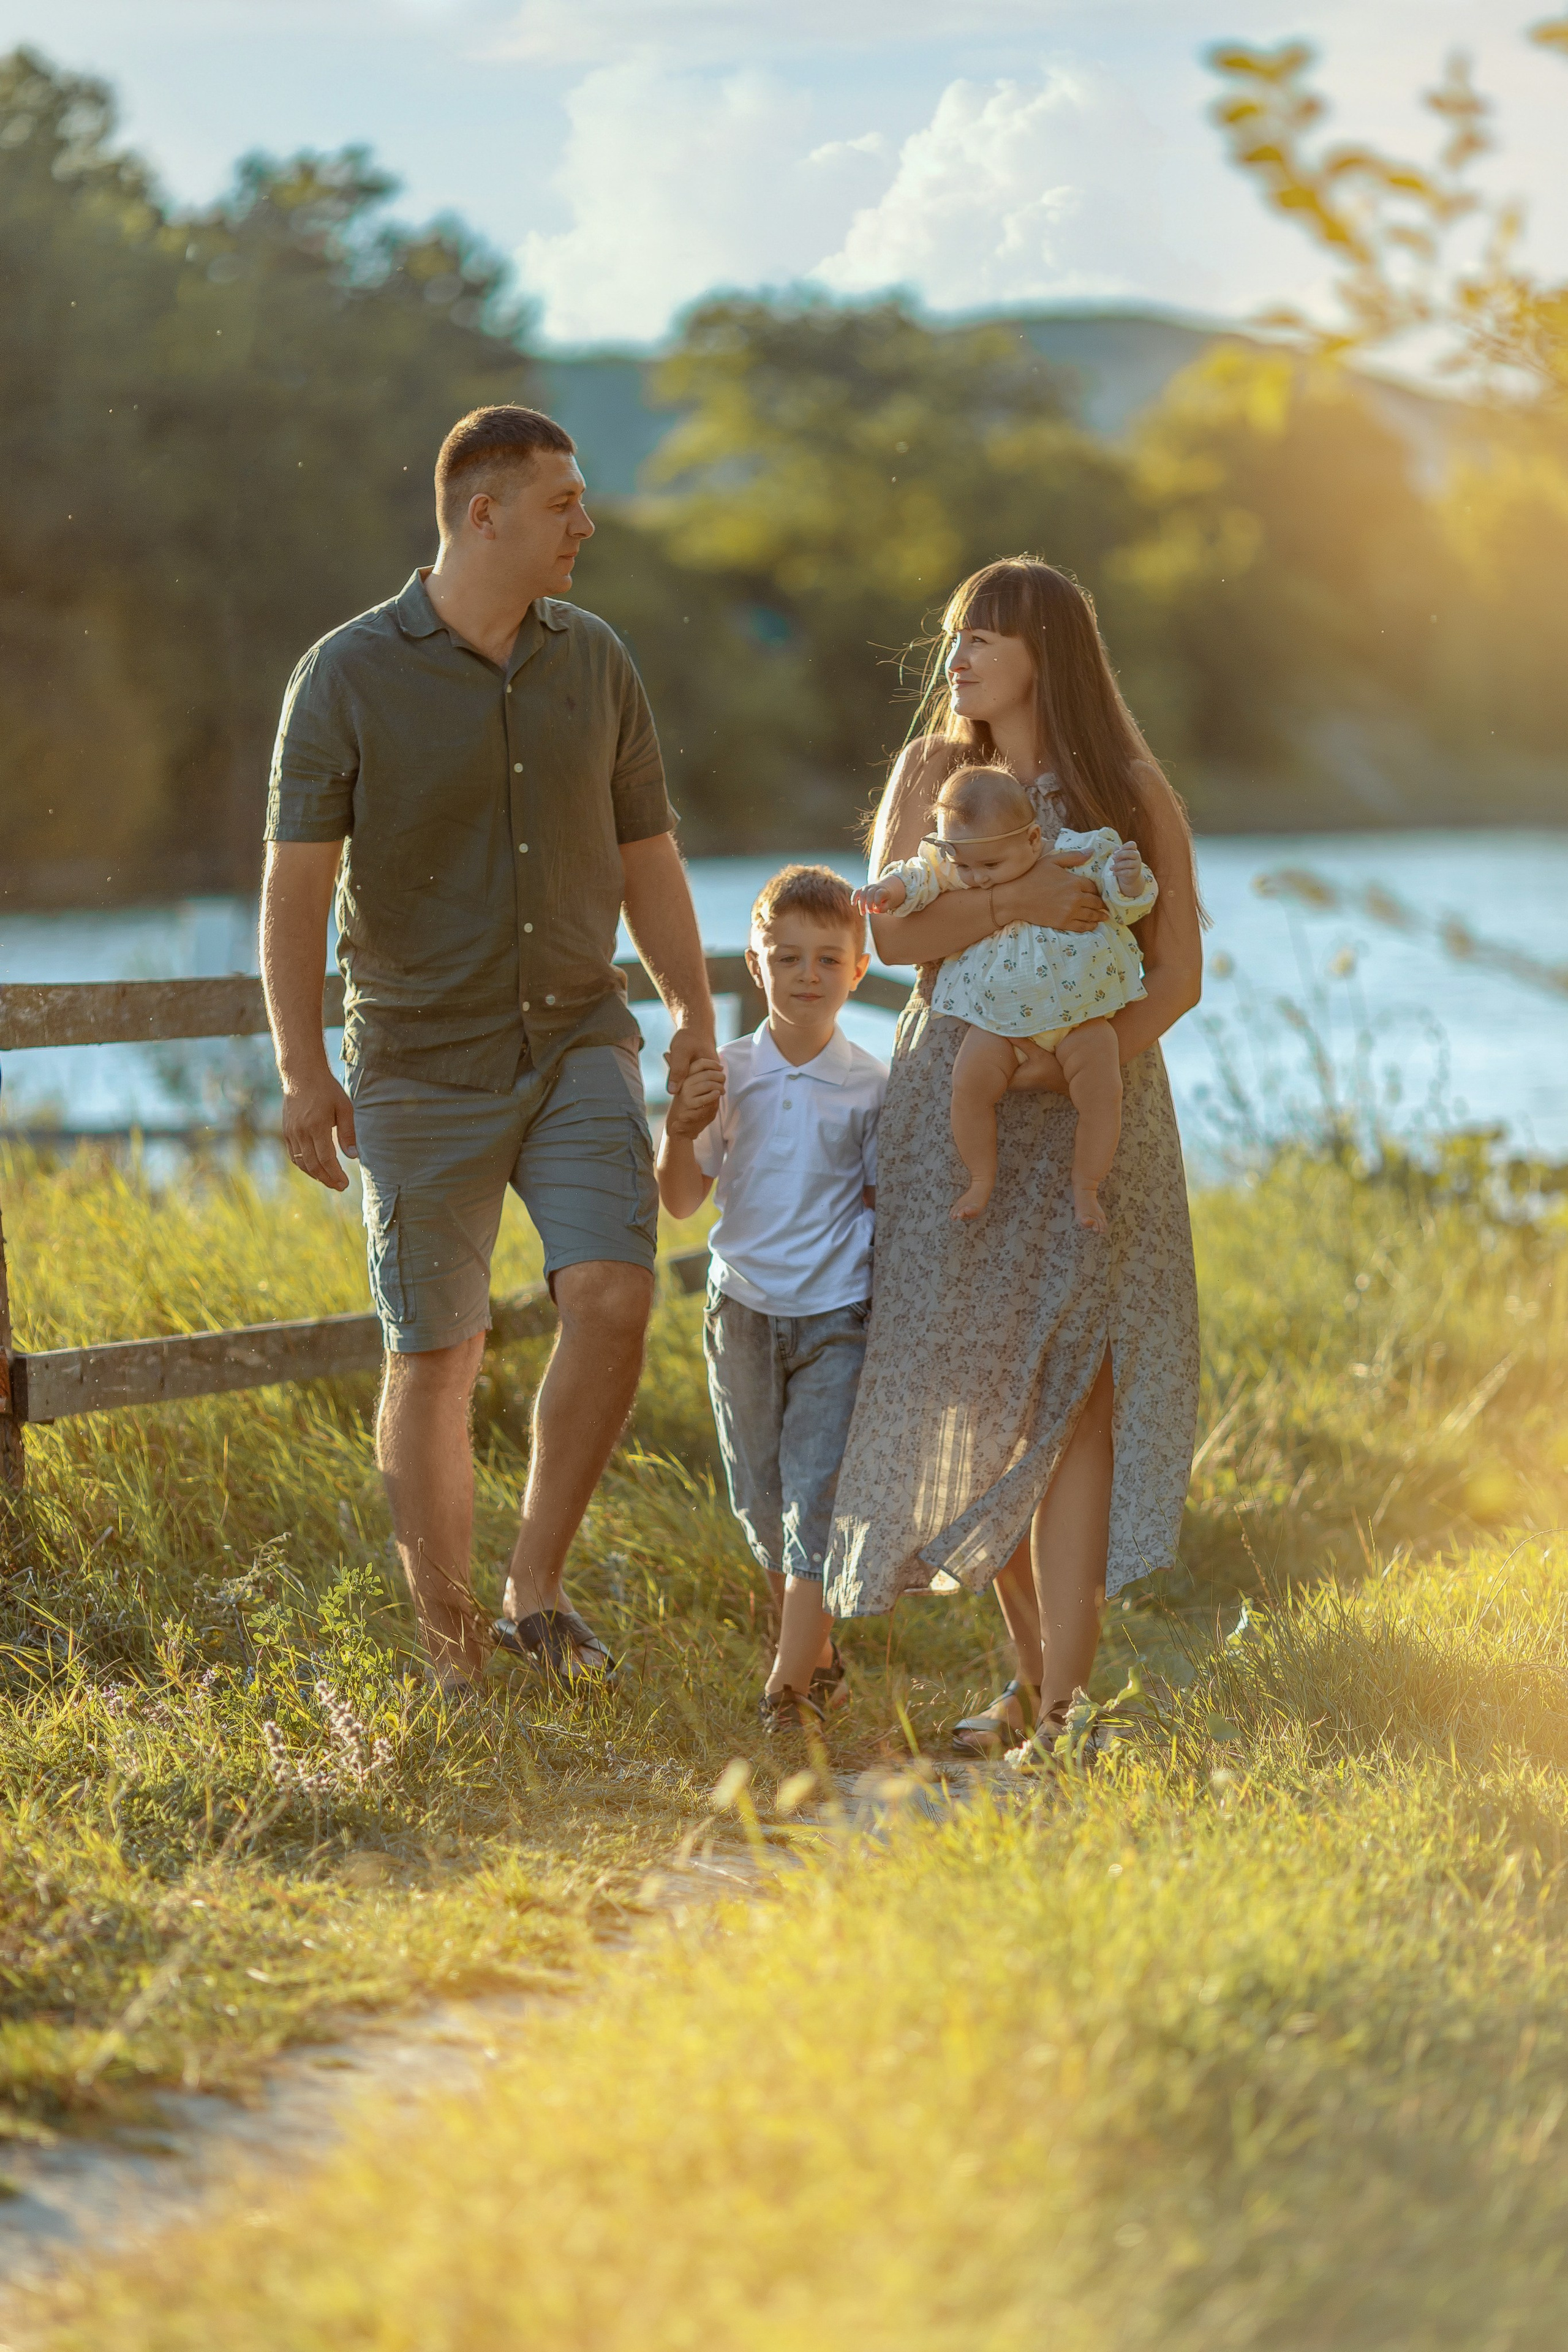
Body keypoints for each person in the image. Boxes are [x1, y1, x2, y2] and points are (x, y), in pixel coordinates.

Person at [260, 404, 714, 1695]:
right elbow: (296, 889)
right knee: (434, 1353)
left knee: (615, 1296)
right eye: (564, 501)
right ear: (485, 514)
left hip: (577, 1035)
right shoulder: (344, 675)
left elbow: (648, 858)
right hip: (415, 1061)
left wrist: (686, 1010)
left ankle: (537, 1588)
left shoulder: (598, 660)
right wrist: (304, 1071)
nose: (586, 521)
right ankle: (451, 1645)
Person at [823, 556, 1202, 1767]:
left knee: (1078, 1398)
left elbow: (1179, 977)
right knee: (982, 1394)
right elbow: (890, 940)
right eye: (951, 637)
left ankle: (1061, 1711)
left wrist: (1073, 1061)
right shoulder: (934, 775)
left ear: (1049, 646)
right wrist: (1020, 905)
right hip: (955, 1105)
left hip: (1096, 1109)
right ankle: (1027, 1678)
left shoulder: (1128, 789)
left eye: (983, 634)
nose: (958, 656)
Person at [656, 867, 886, 1731]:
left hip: (837, 1314)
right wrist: (680, 1127)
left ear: (859, 969)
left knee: (815, 1499)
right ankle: (820, 1657)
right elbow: (680, 1197)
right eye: (786, 956)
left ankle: (786, 1691)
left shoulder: (872, 1086)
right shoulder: (728, 1074)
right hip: (743, 1311)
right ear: (754, 964)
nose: (807, 974)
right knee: (760, 1502)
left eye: (829, 958)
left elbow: (883, 1206)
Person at [858, 761, 1157, 1230]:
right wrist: (889, 890)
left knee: (1103, 1091)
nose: (977, 879)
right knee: (969, 1086)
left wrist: (1129, 880)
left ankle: (1088, 1186)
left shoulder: (1077, 854)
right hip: (996, 1018)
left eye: (992, 866)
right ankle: (980, 1177)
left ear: (1034, 840)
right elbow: (921, 876)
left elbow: (1125, 905)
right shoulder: (962, 866)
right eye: (966, 866)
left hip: (1080, 1012)